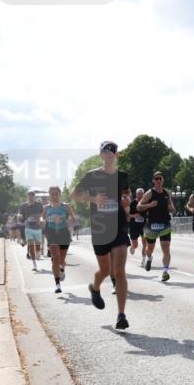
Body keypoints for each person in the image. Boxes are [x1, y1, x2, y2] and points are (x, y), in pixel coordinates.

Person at [71, 141, 131, 330]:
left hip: (119, 227)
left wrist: (126, 200)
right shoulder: (92, 175)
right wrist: (93, 199)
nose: (108, 156)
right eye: (105, 153)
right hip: (100, 229)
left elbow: (126, 195)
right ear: (101, 156)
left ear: (116, 155)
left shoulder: (123, 176)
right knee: (105, 270)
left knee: (119, 271)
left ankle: (121, 315)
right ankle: (95, 288)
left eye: (111, 152)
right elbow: (74, 195)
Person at [137, 172, 176, 282]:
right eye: (156, 179)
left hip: (165, 224)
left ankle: (165, 271)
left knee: (166, 247)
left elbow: (171, 207)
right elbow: (139, 207)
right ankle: (149, 258)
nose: (158, 180)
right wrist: (149, 205)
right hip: (152, 225)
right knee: (150, 249)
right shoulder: (150, 193)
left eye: (160, 178)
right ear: (154, 181)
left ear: (162, 180)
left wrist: (172, 209)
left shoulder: (166, 193)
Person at [42, 186, 75, 293]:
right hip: (51, 233)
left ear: (60, 194)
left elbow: (73, 218)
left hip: (64, 233)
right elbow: (42, 217)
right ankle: (57, 284)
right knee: (55, 258)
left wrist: (66, 219)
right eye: (52, 194)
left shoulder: (66, 207)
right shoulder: (46, 208)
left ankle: (62, 267)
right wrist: (42, 221)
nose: (54, 196)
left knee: (61, 260)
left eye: (56, 194)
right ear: (49, 195)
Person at [19, 191, 44, 270]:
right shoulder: (23, 205)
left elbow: (42, 213)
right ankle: (34, 263)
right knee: (30, 244)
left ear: (34, 197)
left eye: (32, 196)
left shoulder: (39, 205)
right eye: (29, 196)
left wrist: (40, 219)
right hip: (28, 227)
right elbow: (21, 214)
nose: (31, 198)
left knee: (37, 247)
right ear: (27, 196)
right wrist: (20, 216)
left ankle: (38, 252)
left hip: (37, 228)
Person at [128, 188, 147, 266]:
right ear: (136, 194)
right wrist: (134, 215)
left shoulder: (146, 203)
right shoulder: (132, 203)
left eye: (141, 193)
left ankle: (143, 260)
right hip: (133, 226)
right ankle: (132, 247)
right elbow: (127, 215)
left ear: (144, 194)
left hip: (144, 225)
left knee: (145, 244)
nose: (140, 195)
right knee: (135, 245)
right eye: (138, 193)